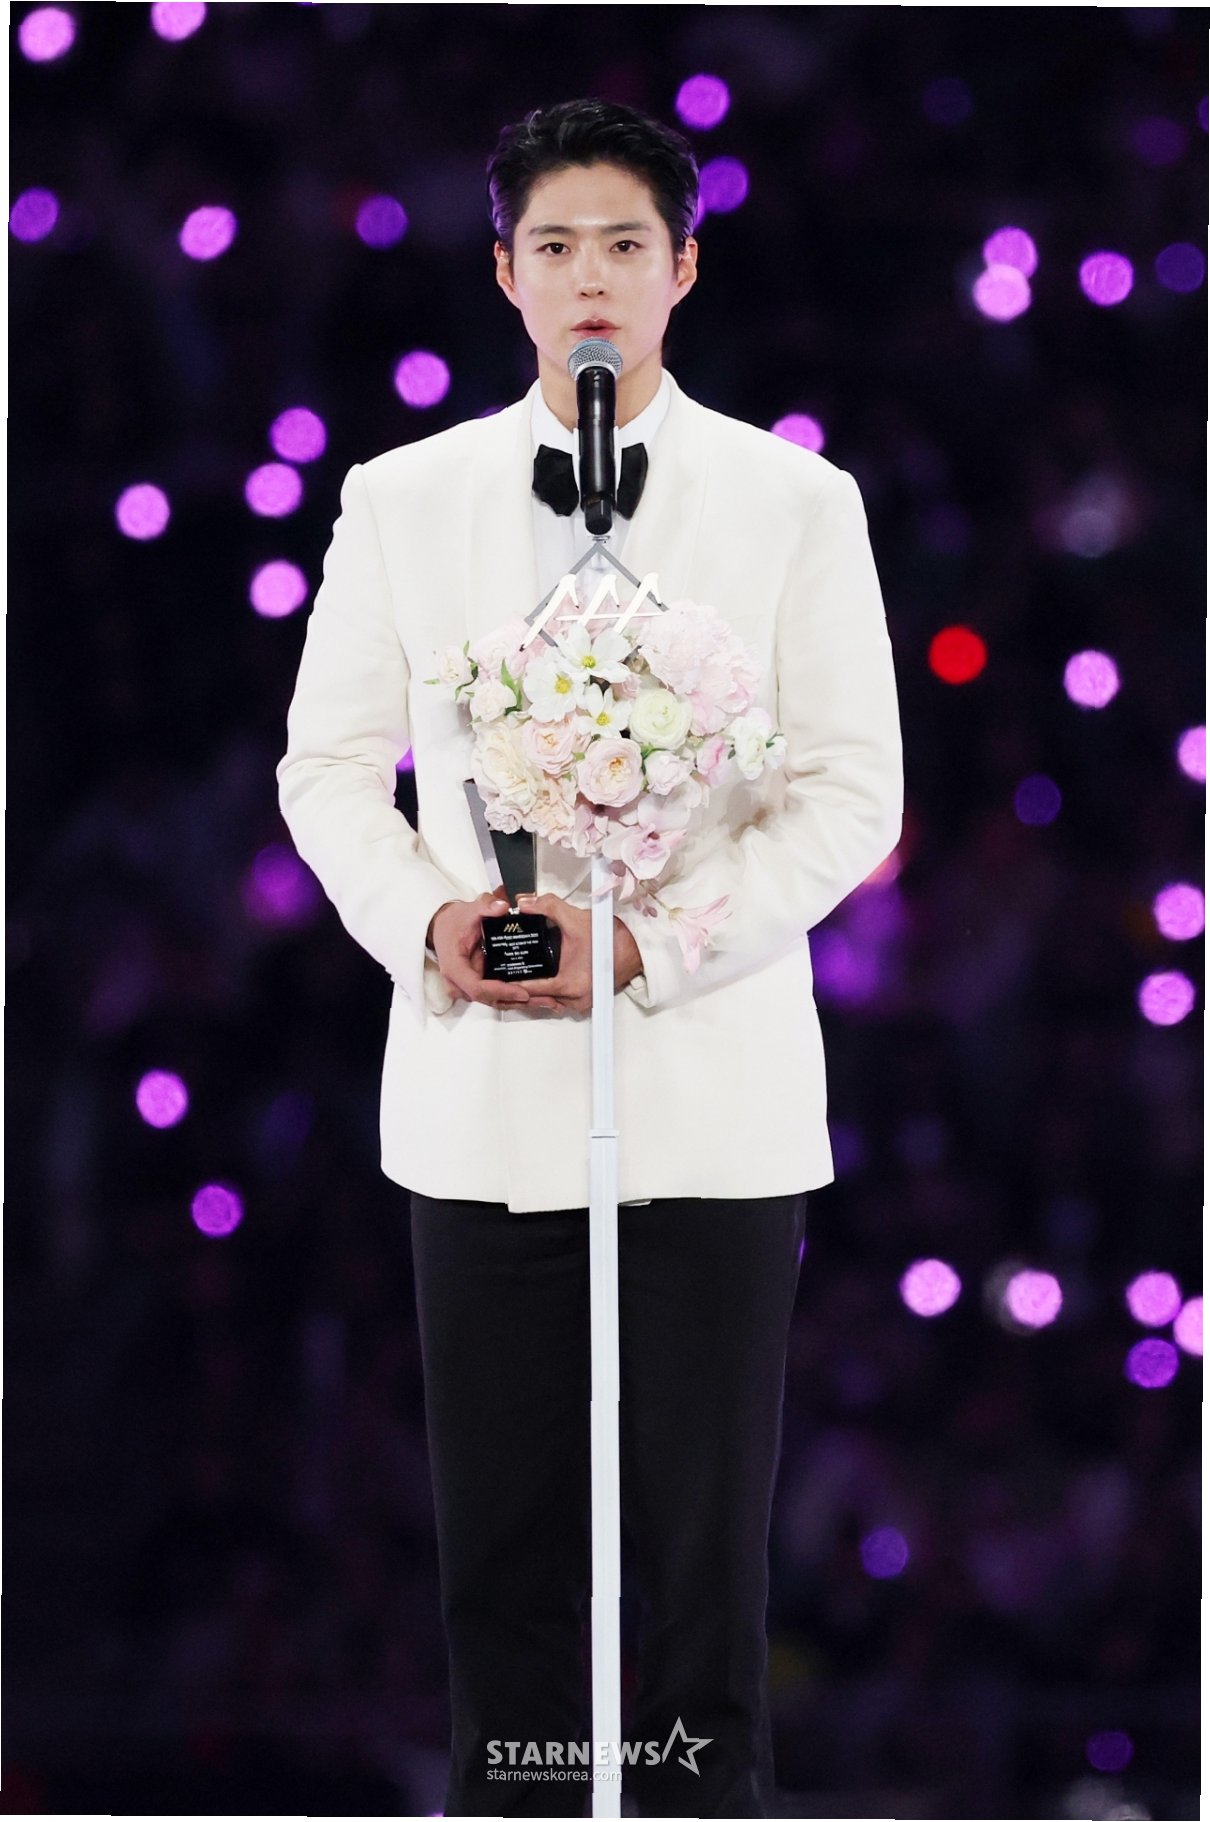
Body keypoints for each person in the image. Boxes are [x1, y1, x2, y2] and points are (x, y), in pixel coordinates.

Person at [277, 97, 902, 1819]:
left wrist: (647, 944)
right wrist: (433, 920)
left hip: (711, 1101)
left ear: (684, 267)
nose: (590, 279)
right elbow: (326, 770)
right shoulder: (404, 499)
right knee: (504, 1565)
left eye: (625, 243)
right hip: (483, 1099)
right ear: (504, 274)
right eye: (554, 247)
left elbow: (851, 791)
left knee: (701, 1574)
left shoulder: (793, 501)